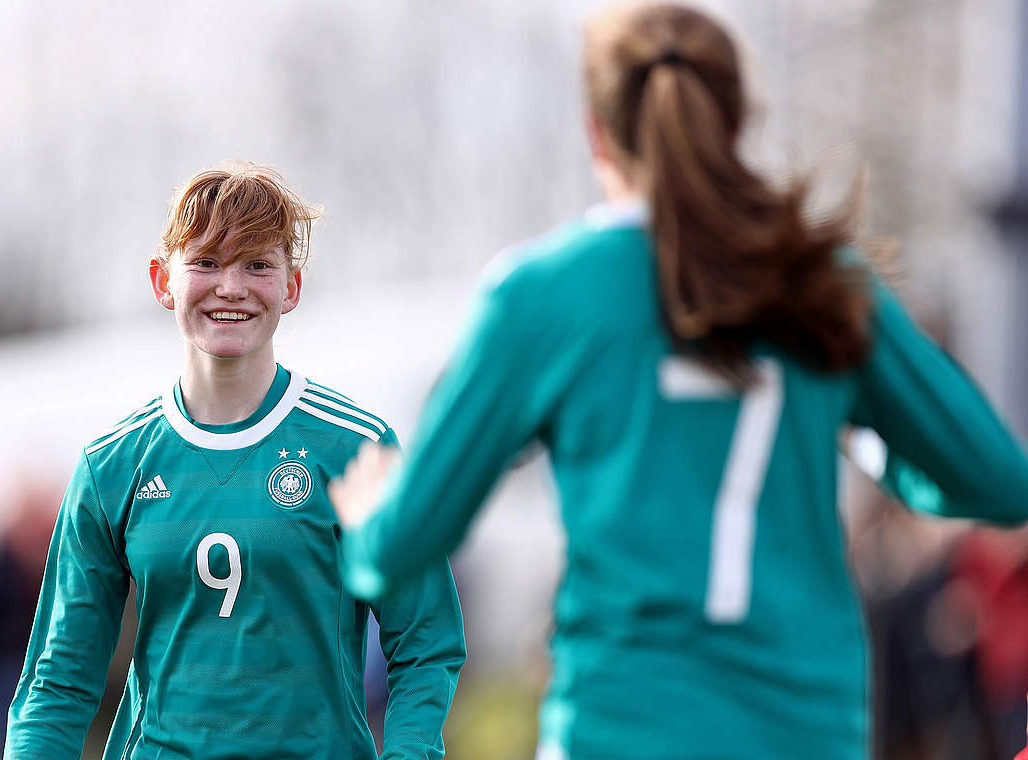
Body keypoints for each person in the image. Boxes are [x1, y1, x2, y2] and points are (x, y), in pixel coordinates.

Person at [328, 4, 1028, 759]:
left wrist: (370, 520)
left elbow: (407, 543)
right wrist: (858, 426)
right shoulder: (823, 283)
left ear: (597, 132)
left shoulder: (546, 294)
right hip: (806, 733)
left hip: (622, 730)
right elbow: (997, 482)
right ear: (735, 125)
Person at [5, 161, 465, 759]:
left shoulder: (356, 448)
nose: (231, 286)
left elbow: (425, 639)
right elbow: (59, 677)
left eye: (257, 264)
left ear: (291, 286)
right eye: (205, 262)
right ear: (162, 280)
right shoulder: (112, 466)